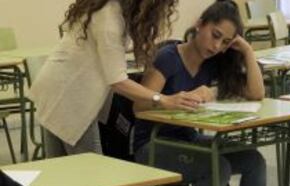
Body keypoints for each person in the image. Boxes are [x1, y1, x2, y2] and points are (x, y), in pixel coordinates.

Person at [29, 0, 202, 157]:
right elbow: (118, 82)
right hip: (69, 96)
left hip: (56, 88)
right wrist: (163, 99)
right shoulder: (110, 18)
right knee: (90, 173)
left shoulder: (109, 9)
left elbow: (104, 49)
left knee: (62, 170)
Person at [132, 1, 266, 186]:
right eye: (215, 35)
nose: (216, 46)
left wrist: (247, 51)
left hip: (188, 140)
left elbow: (256, 93)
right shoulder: (168, 58)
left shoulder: (212, 62)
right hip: (153, 144)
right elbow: (138, 106)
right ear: (200, 24)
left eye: (225, 42)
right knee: (218, 168)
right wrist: (173, 100)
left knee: (253, 160)